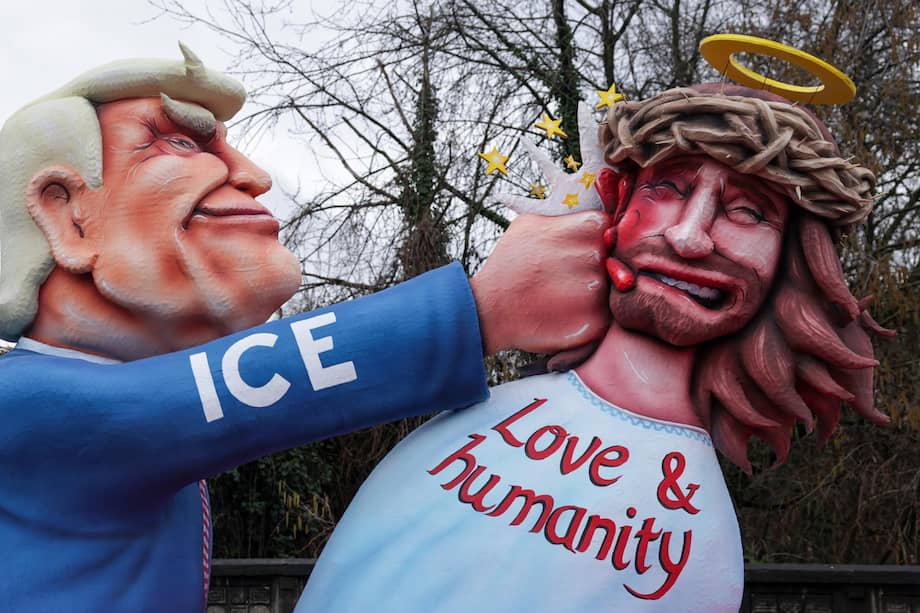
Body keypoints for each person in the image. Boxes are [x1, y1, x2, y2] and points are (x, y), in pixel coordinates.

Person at [0, 45, 611, 611]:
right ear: (66, 213)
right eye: (182, 146)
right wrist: (484, 307)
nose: (253, 175)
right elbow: (238, 383)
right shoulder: (23, 402)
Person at [296, 84, 891, 612]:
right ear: (615, 202)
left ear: (794, 264)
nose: (687, 237)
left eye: (747, 211)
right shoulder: (473, 424)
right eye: (667, 188)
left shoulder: (701, 543)